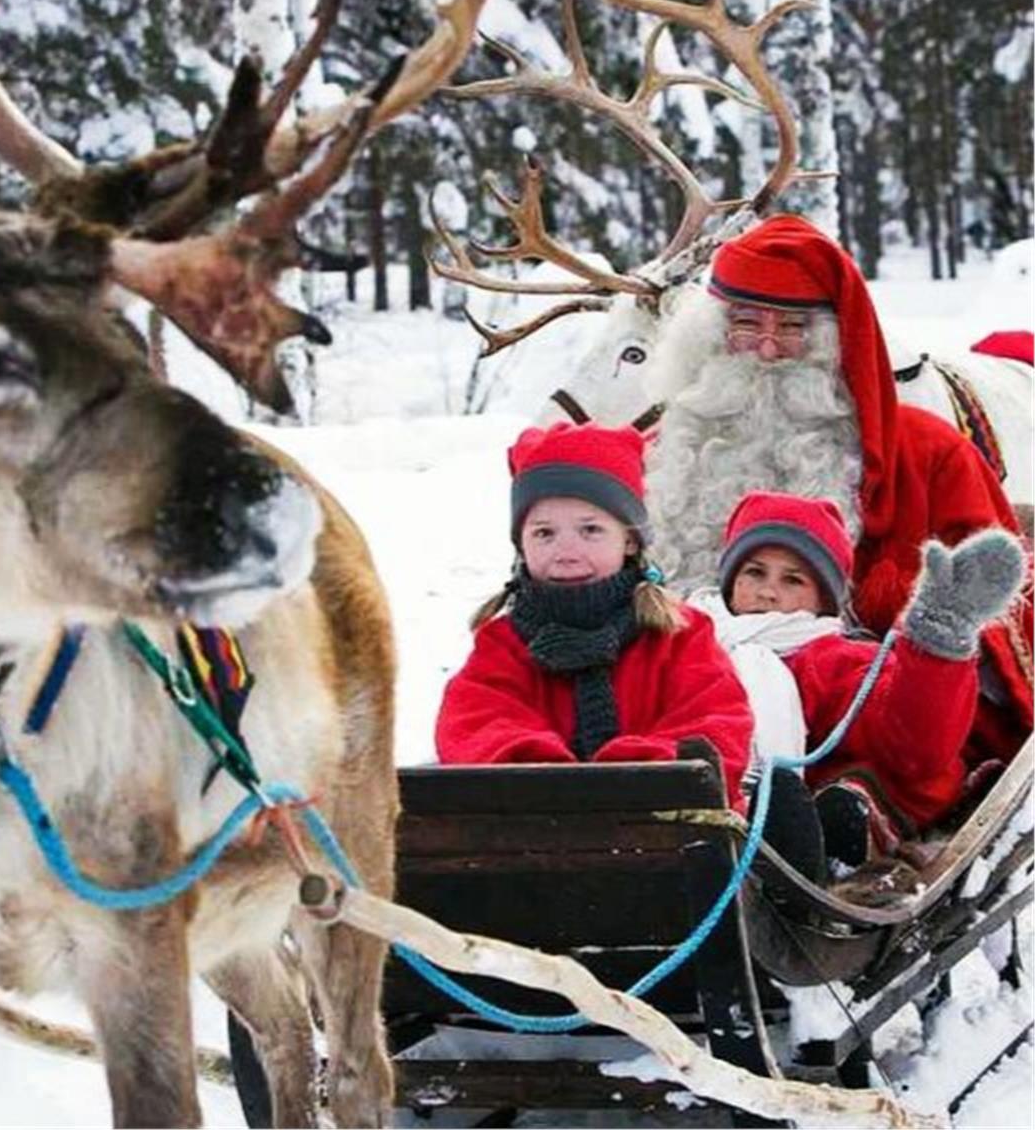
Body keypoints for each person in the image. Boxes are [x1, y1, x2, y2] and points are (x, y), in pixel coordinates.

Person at [643, 214, 1032, 777]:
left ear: (833, 341)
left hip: (854, 731)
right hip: (674, 724)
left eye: (794, 327)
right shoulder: (660, 455)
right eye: (746, 324)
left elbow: (997, 630)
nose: (769, 349)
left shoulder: (930, 457)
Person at [690, 491, 1027, 868]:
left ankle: (834, 843)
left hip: (805, 809)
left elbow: (911, 741)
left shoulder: (832, 659)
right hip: (698, 802)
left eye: (793, 580)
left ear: (822, 601)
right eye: (755, 572)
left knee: (852, 789)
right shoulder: (690, 643)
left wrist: (937, 648)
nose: (769, 592)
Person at [435, 421, 754, 804]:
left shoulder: (678, 634)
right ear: (520, 544)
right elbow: (477, 719)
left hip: (666, 825)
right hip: (537, 827)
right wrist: (537, 769)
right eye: (544, 533)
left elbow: (714, 718)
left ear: (630, 540)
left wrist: (631, 772)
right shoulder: (504, 644)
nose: (566, 551)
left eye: (590, 530)